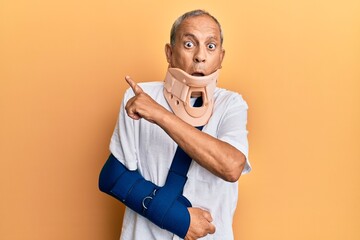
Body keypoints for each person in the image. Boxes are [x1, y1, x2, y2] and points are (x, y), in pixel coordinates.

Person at [99, 9, 251, 240]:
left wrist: (160, 115)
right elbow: (113, 176)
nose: (200, 56)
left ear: (221, 56)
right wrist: (178, 219)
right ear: (170, 53)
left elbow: (231, 168)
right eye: (189, 44)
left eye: (211, 46)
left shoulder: (231, 105)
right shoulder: (140, 97)